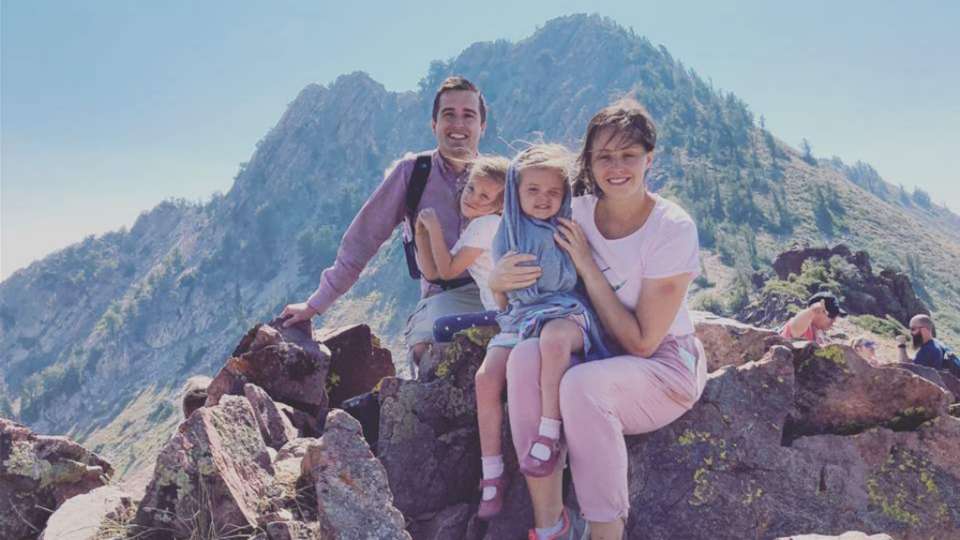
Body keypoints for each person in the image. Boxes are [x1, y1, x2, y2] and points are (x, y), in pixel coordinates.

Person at [489, 99, 707, 540]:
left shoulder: (671, 227)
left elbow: (643, 342)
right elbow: (529, 282)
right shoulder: (576, 212)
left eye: (629, 155)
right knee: (524, 360)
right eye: (603, 156)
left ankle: (607, 532)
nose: (616, 166)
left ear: (650, 158)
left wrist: (587, 265)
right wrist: (497, 281)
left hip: (663, 365)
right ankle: (551, 527)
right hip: (593, 344)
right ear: (588, 162)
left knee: (581, 386)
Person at [279, 76, 488, 375]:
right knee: (430, 354)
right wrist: (315, 305)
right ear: (433, 125)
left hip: (493, 293)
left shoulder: (500, 178)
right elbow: (362, 241)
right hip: (441, 298)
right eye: (448, 115)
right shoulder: (414, 173)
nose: (458, 124)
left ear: (482, 126)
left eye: (469, 115)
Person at [470, 145, 608, 521]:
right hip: (520, 318)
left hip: (561, 311)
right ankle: (492, 472)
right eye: (532, 191)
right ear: (515, 192)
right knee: (486, 379)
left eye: (553, 192)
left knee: (552, 342)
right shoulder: (507, 232)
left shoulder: (568, 230)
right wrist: (501, 287)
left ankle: (549, 430)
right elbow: (503, 300)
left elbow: (574, 281)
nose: (543, 200)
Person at [417, 156, 507, 341]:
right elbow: (433, 274)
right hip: (501, 312)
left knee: (443, 328)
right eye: (471, 188)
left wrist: (434, 229)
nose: (472, 198)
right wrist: (421, 235)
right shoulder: (481, 226)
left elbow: (447, 271)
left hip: (504, 315)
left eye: (484, 196)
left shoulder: (485, 225)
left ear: (500, 206)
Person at [779, 291, 847, 345]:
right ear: (817, 312)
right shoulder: (804, 327)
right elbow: (795, 327)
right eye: (831, 315)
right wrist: (812, 311)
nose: (834, 320)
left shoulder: (819, 334)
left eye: (836, 316)